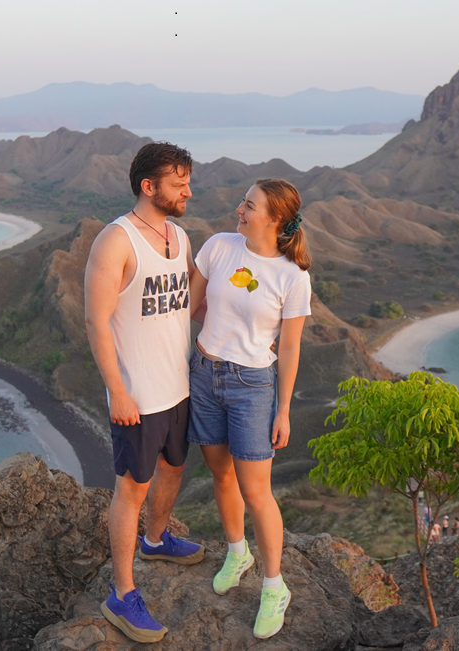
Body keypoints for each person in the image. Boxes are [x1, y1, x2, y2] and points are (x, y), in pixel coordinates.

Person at [84, 142, 204, 643]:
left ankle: (156, 540)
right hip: (136, 394)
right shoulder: (116, 242)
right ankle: (122, 592)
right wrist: (118, 392)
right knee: (131, 489)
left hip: (179, 387)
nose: (188, 193)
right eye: (180, 185)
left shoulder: (180, 236)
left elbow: (190, 305)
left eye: (188, 183)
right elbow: (95, 319)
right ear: (148, 187)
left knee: (174, 469)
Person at [188, 178, 312, 639]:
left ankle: (274, 585)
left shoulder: (292, 276)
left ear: (274, 218)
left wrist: (283, 410)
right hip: (204, 372)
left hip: (252, 386)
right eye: (243, 200)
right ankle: (238, 552)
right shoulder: (219, 246)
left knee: (257, 491)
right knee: (220, 475)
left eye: (249, 204)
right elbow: (191, 305)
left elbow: (293, 347)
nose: (239, 209)